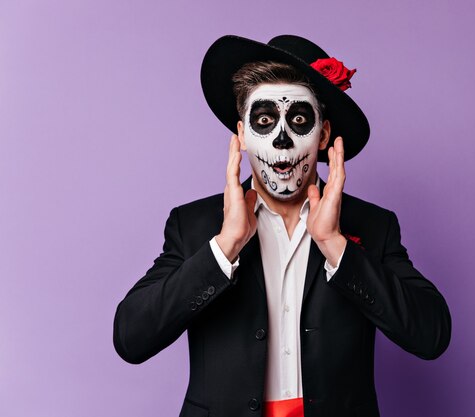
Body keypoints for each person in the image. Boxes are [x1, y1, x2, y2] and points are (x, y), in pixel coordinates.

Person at [113, 34, 451, 417]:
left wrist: (336, 245)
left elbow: (432, 335)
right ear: (242, 135)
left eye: (300, 120)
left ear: (323, 135)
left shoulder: (372, 226)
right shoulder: (195, 225)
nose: (283, 139)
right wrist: (224, 247)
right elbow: (130, 338)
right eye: (264, 120)